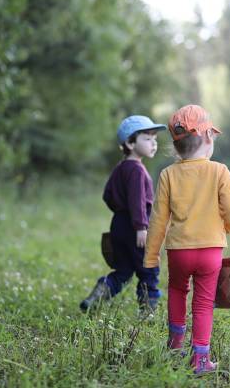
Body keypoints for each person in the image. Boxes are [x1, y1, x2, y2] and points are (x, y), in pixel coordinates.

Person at [144, 104, 230, 375]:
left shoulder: (168, 175)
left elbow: (158, 221)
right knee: (203, 302)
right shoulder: (220, 171)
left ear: (176, 147)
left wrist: (151, 257)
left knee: (177, 291)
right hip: (210, 251)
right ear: (209, 138)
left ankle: (175, 346)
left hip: (179, 252)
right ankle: (200, 360)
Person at [80, 115, 166, 313]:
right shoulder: (137, 170)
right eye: (147, 139)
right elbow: (137, 201)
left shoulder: (120, 169)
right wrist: (140, 227)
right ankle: (148, 312)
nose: (153, 143)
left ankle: (97, 296)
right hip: (137, 227)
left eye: (155, 139)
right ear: (129, 142)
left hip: (119, 224)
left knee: (124, 271)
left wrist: (120, 212)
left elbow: (107, 195)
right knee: (149, 269)